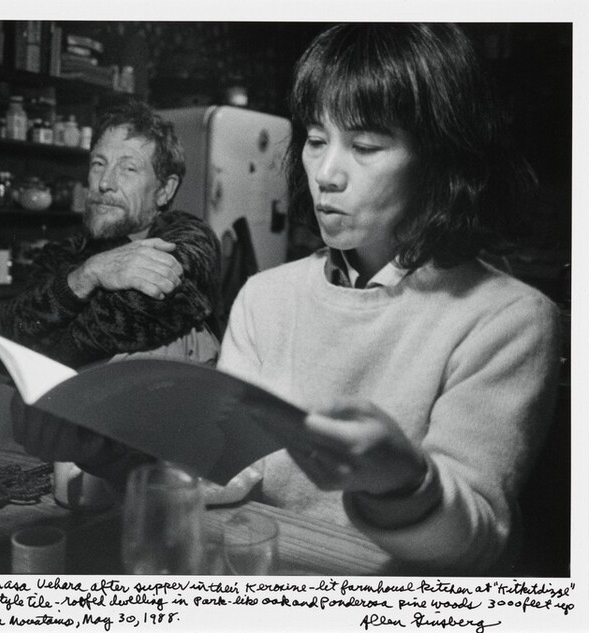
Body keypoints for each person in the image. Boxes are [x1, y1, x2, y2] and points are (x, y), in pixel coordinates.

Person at [217, 23, 562, 574]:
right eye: (315, 140)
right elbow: (226, 472)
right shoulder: (264, 298)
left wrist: (406, 483)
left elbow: (475, 545)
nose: (326, 174)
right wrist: (125, 457)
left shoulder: (508, 319)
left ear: (438, 161)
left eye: (365, 146)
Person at [2, 100, 221, 368]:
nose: (105, 182)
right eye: (98, 164)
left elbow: (137, 312)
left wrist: (52, 349)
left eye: (128, 168)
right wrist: (87, 274)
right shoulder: (62, 253)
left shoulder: (189, 239)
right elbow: (15, 326)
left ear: (165, 190)